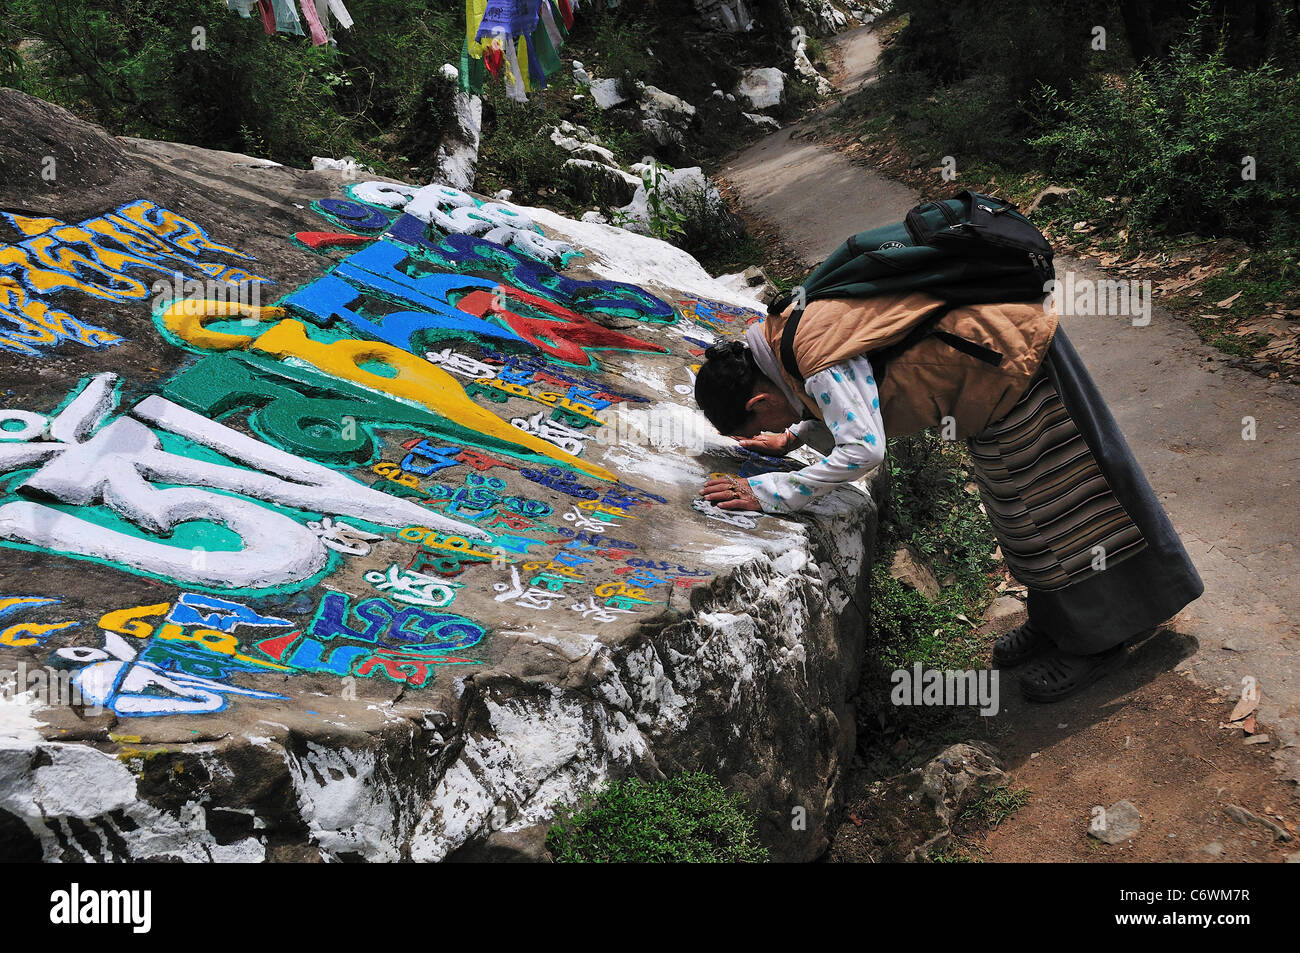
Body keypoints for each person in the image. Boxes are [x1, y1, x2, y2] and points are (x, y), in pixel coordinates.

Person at [693, 289, 1204, 702]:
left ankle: (1100, 639)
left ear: (759, 400)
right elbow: (852, 396)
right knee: (1019, 517)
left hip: (1013, 366)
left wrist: (769, 492)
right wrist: (794, 437)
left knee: (1063, 512)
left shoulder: (812, 355)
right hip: (987, 380)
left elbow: (864, 450)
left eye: (764, 420)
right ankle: (1057, 621)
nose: (778, 422)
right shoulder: (782, 336)